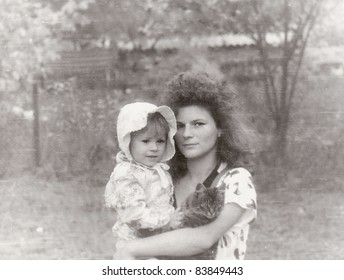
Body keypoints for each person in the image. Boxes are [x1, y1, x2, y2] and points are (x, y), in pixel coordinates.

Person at [114, 71, 257, 260]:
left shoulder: (236, 180)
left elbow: (205, 238)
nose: (187, 133)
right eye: (180, 126)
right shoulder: (165, 180)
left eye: (198, 124)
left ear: (220, 129)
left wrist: (131, 249)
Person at [104, 102, 177, 249]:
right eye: (145, 141)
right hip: (136, 245)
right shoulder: (127, 174)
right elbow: (134, 215)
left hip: (159, 240)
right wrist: (168, 221)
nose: (154, 148)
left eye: (160, 141)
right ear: (128, 141)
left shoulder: (159, 170)